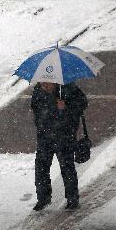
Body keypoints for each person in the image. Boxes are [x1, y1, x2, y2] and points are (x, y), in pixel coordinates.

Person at [30, 81, 88, 211]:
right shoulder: (38, 91)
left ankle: (72, 199)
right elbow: (35, 108)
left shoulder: (69, 88)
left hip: (64, 137)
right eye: (42, 83)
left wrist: (66, 107)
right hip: (45, 137)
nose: (45, 86)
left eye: (47, 83)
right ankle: (43, 198)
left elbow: (83, 103)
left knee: (67, 168)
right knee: (41, 168)